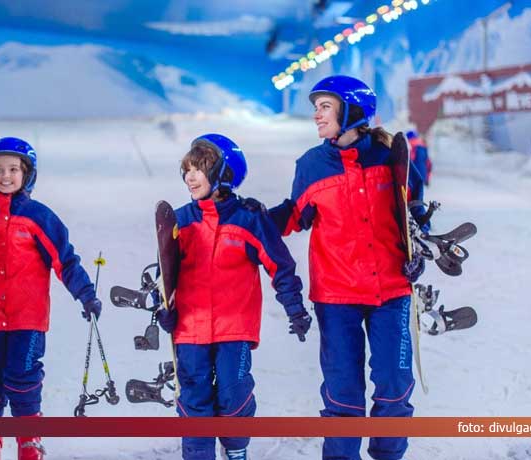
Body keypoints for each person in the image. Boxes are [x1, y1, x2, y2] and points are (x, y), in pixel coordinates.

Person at [265, 75, 424, 460]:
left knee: (394, 386)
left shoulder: (390, 157)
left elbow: (415, 213)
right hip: (337, 297)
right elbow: (294, 216)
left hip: (392, 290)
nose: (317, 116)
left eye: (325, 106)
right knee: (343, 392)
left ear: (351, 110)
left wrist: (419, 246)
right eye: (315, 108)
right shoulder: (312, 165)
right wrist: (250, 220)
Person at [0, 137, 102, 460]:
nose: (5, 176)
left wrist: (84, 293)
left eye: (13, 169)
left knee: (23, 378)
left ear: (27, 174)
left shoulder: (38, 217)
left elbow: (65, 259)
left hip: (27, 318)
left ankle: (29, 440)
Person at [154, 134, 309, 460]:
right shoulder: (181, 220)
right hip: (191, 327)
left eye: (199, 169)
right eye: (187, 170)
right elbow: (166, 275)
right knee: (194, 399)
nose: (190, 177)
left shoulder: (248, 218)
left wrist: (295, 308)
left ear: (223, 174)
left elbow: (279, 265)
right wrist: (164, 308)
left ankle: (236, 448)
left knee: (233, 394)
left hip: (234, 327)